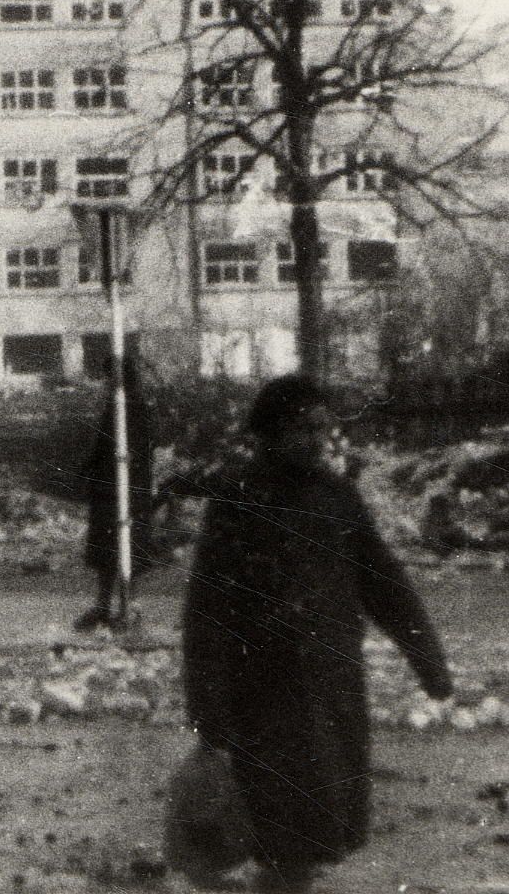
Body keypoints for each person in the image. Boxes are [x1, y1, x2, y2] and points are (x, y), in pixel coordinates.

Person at [179, 375, 453, 891]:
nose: (317, 439)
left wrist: (428, 661)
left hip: (331, 688)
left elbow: (385, 584)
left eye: (323, 428)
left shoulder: (337, 497)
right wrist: (207, 707)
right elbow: (206, 612)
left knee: (318, 829)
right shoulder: (238, 499)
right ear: (269, 433)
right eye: (303, 428)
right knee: (279, 837)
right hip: (262, 694)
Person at [74, 378, 154, 632]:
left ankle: (127, 607)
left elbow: (142, 449)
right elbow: (102, 446)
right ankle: (105, 606)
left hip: (128, 491)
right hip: (108, 491)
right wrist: (86, 471)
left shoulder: (135, 409)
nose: (104, 385)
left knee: (127, 548)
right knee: (106, 550)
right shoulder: (115, 407)